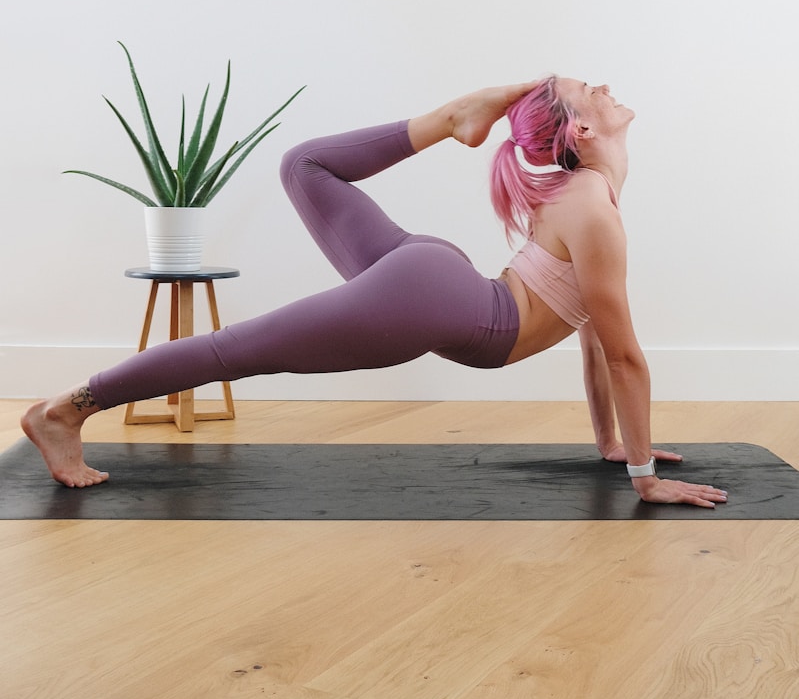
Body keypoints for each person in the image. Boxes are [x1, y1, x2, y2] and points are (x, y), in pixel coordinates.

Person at [21, 79, 727, 508]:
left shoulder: (583, 197)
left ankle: (453, 118)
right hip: (439, 298)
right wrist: (644, 478)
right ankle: (63, 410)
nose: (605, 86)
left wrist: (612, 443)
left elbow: (594, 336)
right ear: (582, 130)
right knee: (233, 351)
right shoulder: (592, 207)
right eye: (589, 90)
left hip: (437, 283)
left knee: (304, 167)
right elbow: (625, 356)